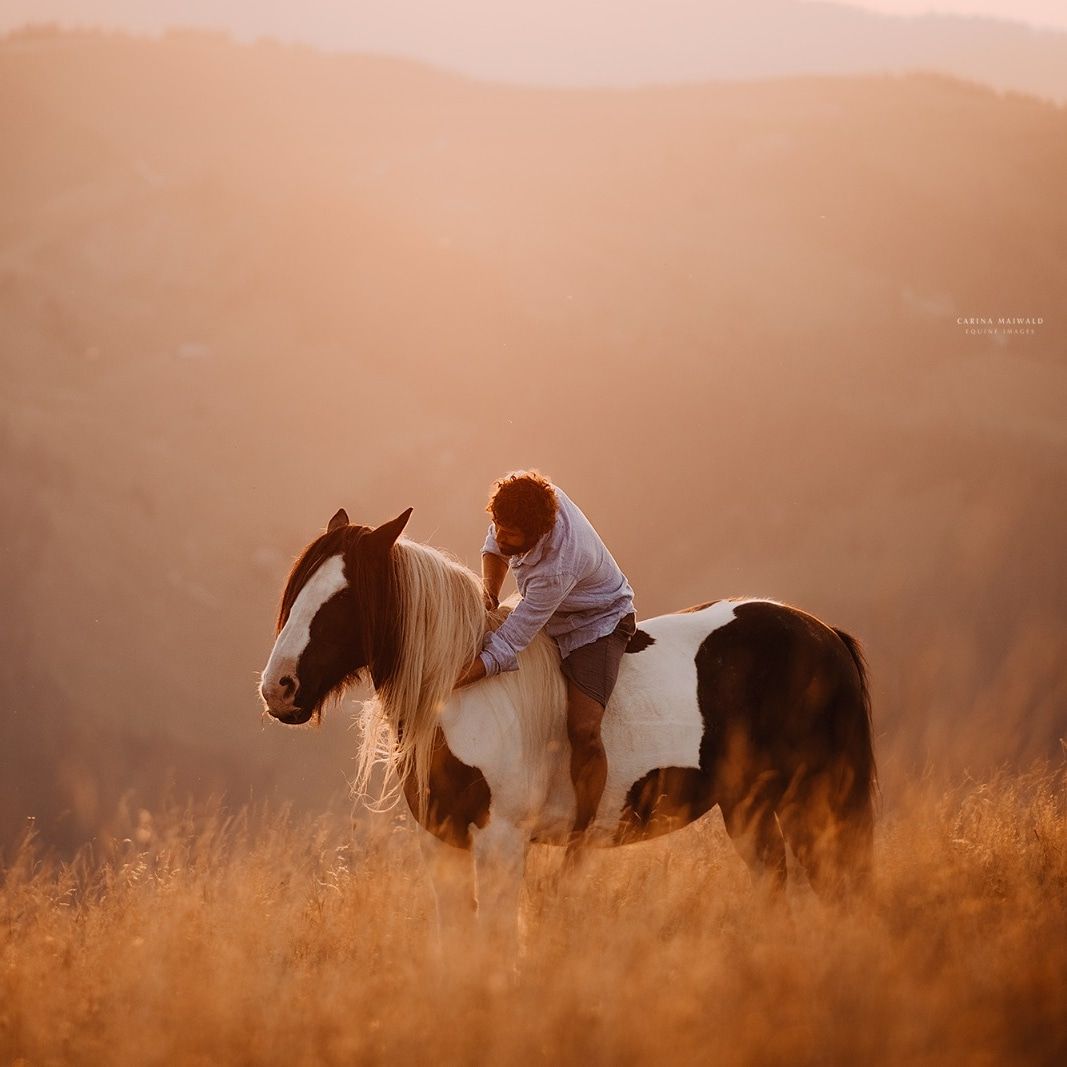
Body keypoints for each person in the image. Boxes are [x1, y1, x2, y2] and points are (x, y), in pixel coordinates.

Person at [453, 470, 636, 855]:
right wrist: (488, 596)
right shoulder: (528, 499)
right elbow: (495, 545)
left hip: (596, 624)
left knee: (583, 728)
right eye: (497, 525)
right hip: (549, 612)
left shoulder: (559, 566)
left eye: (511, 534)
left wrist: (450, 680)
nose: (501, 537)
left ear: (537, 533)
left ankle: (582, 837)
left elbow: (509, 645)